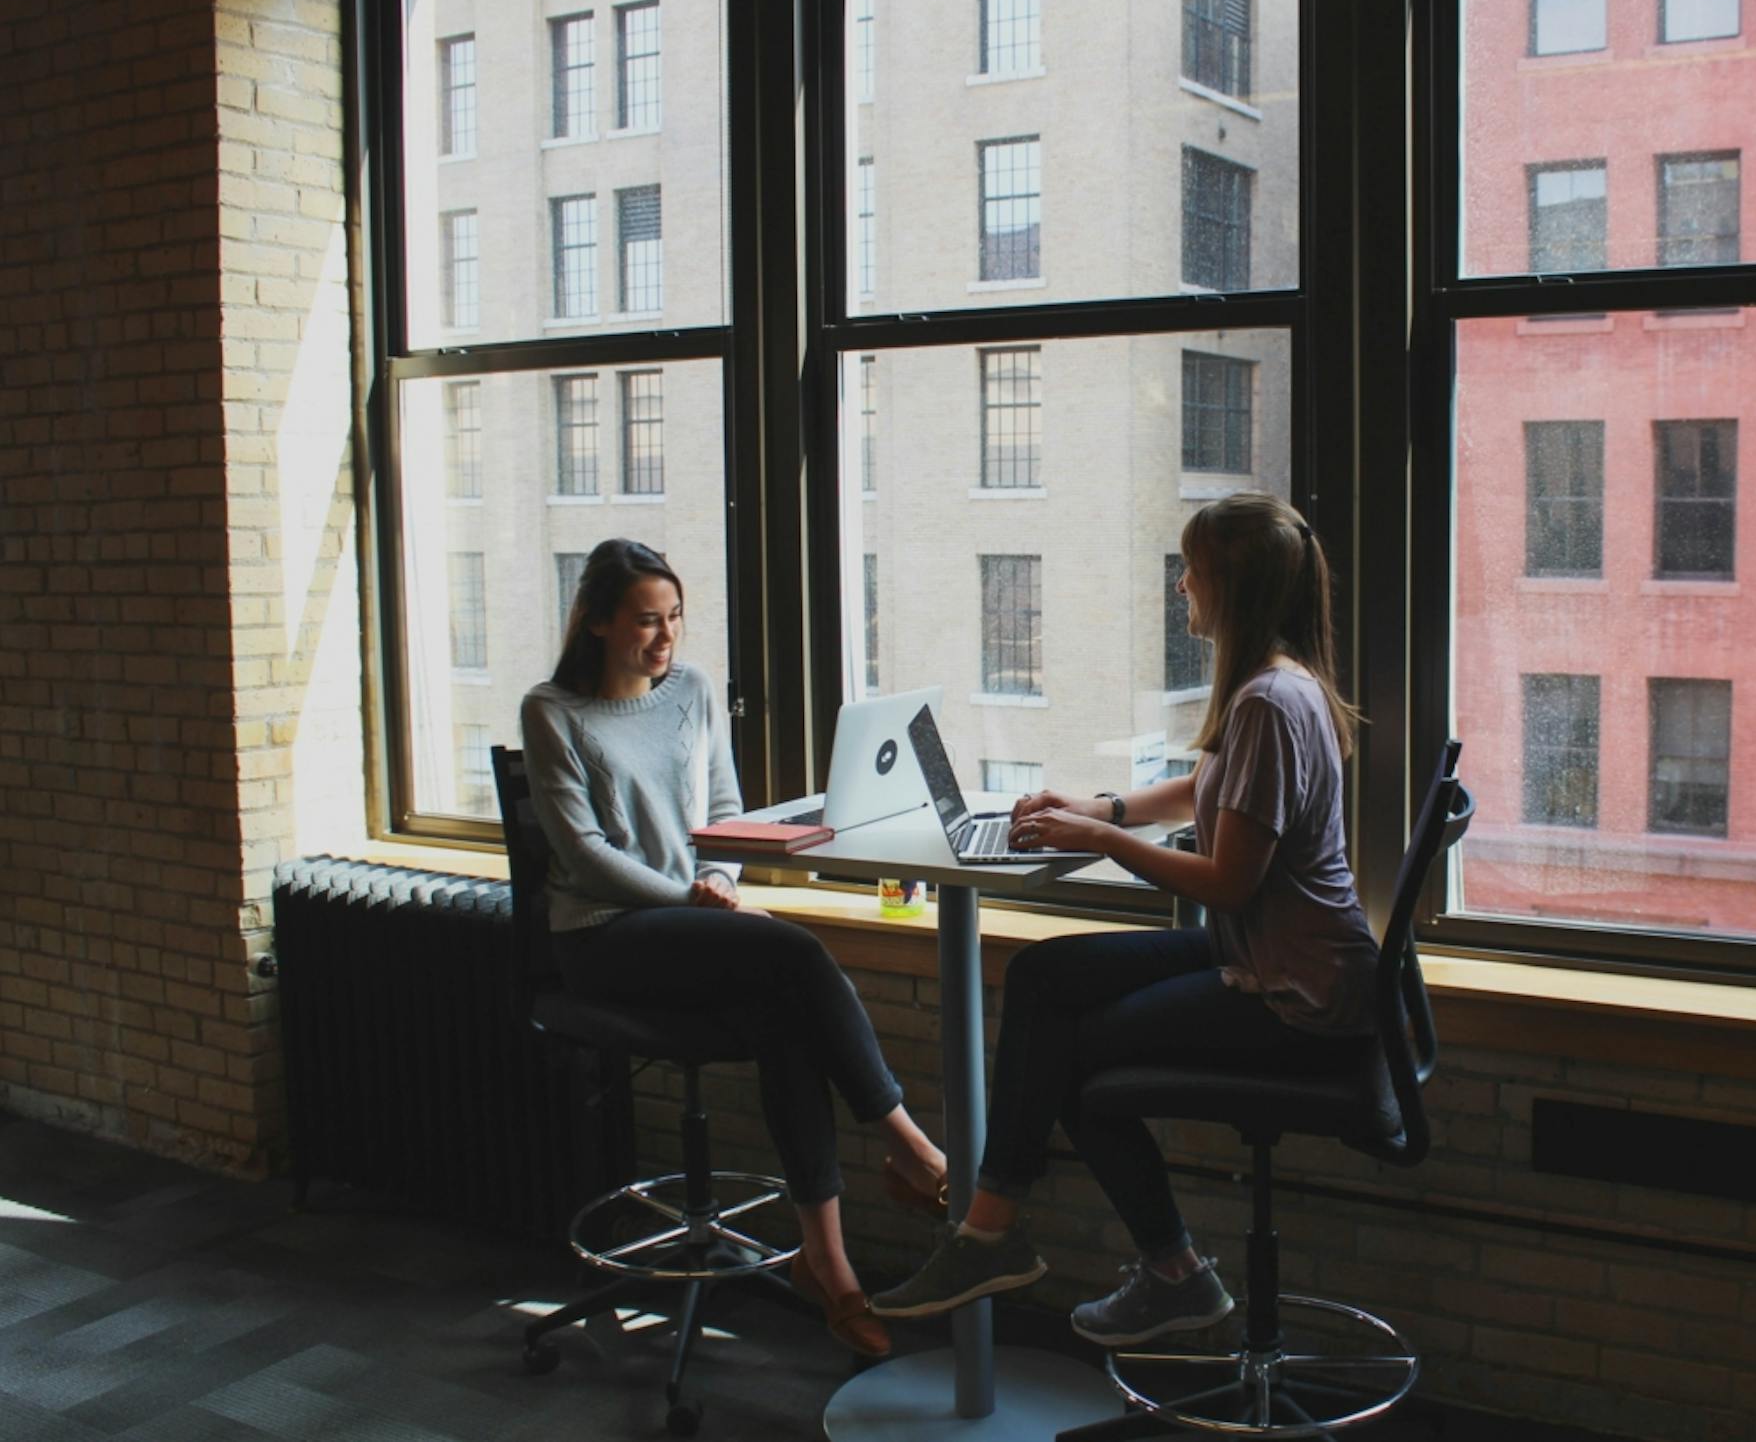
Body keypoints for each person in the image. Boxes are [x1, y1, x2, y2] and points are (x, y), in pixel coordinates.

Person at [870, 493, 1375, 1346]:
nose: (1182, 586)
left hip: (1296, 994)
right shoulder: (1278, 686)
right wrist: (1100, 802)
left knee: (1071, 1057)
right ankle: (997, 1233)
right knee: (1042, 976)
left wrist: (1099, 837)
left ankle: (1134, 1265)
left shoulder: (1267, 702)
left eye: (1196, 572)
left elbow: (1225, 880)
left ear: (1235, 587)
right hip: (1268, 961)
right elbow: (1205, 791)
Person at [520, 538, 946, 1360]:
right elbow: (583, 855)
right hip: (603, 937)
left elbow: (725, 805)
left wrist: (715, 877)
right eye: (646, 621)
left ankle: (827, 1267)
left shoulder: (692, 691)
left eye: (675, 617)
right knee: (792, 955)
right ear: (600, 623)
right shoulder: (552, 711)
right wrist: (692, 895)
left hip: (690, 923)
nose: (665, 637)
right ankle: (912, 1146)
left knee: (784, 1013)